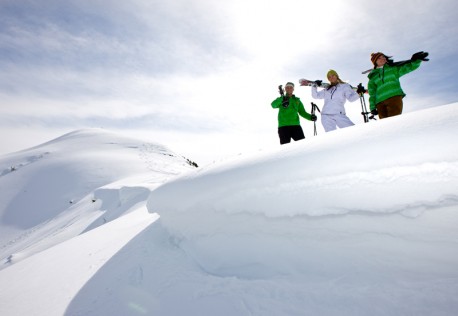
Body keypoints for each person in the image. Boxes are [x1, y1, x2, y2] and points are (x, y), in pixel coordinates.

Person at [367, 51, 429, 119]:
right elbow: (372, 94)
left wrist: (417, 60)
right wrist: (372, 107)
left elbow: (409, 67)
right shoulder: (372, 77)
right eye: (379, 58)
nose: (383, 58)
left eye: (383, 57)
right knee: (384, 125)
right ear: (375, 61)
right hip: (380, 103)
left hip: (394, 98)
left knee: (394, 120)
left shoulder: (393, 69)